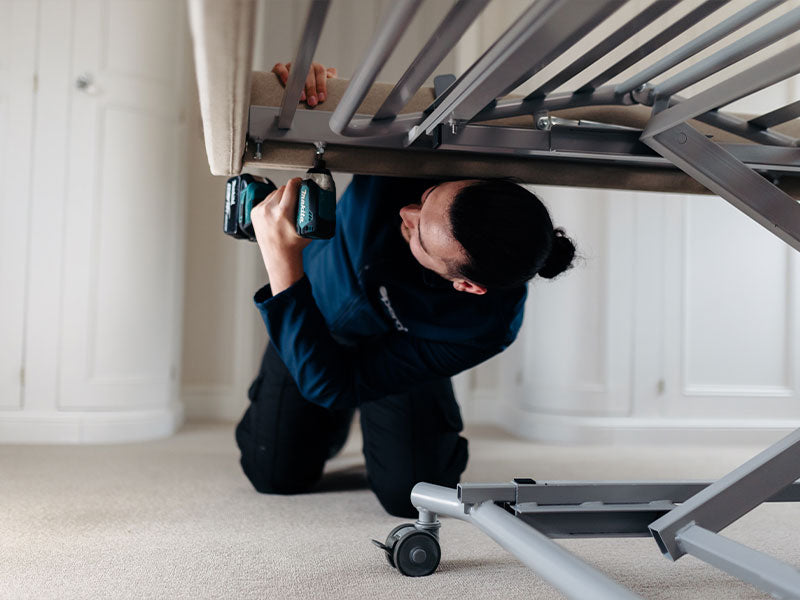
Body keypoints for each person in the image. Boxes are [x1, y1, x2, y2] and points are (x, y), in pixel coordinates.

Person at [235, 62, 577, 517]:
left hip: (395, 354)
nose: (407, 215)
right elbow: (339, 110)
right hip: (314, 310)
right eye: (427, 197)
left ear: (466, 285)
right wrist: (310, 84)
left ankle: (385, 423)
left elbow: (334, 385)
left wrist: (280, 257)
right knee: (274, 474)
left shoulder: (485, 326)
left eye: (420, 236)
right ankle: (326, 426)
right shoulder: (412, 158)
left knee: (410, 495)